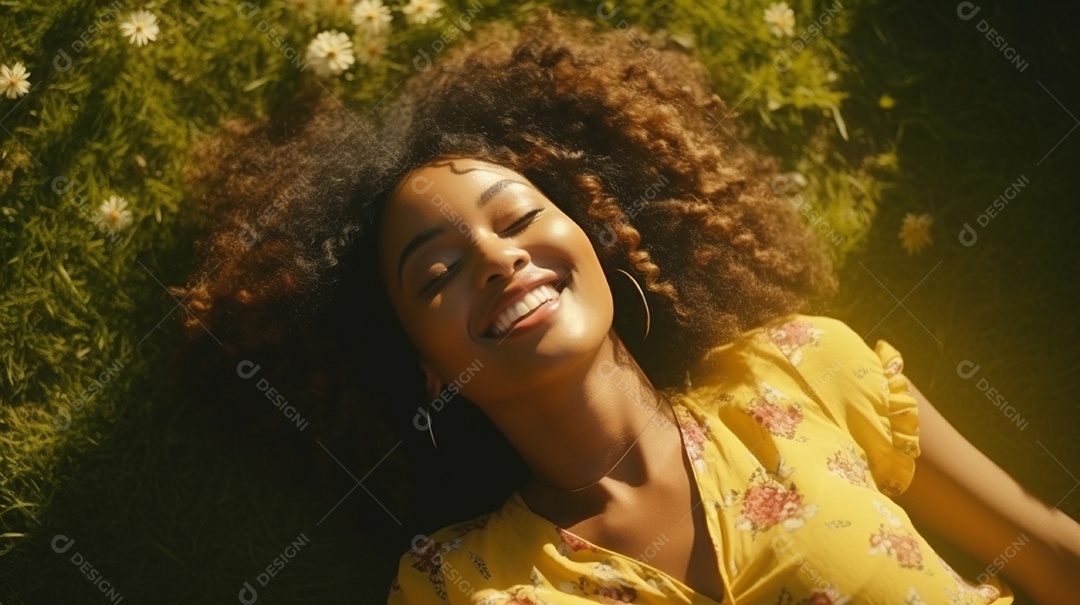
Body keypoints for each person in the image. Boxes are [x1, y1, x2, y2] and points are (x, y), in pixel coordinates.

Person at [169, 7, 1080, 604]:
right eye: (437, 274)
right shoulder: (463, 584)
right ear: (427, 368)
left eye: (519, 216)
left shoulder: (799, 365)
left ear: (600, 241)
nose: (495, 256)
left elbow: (1042, 547)